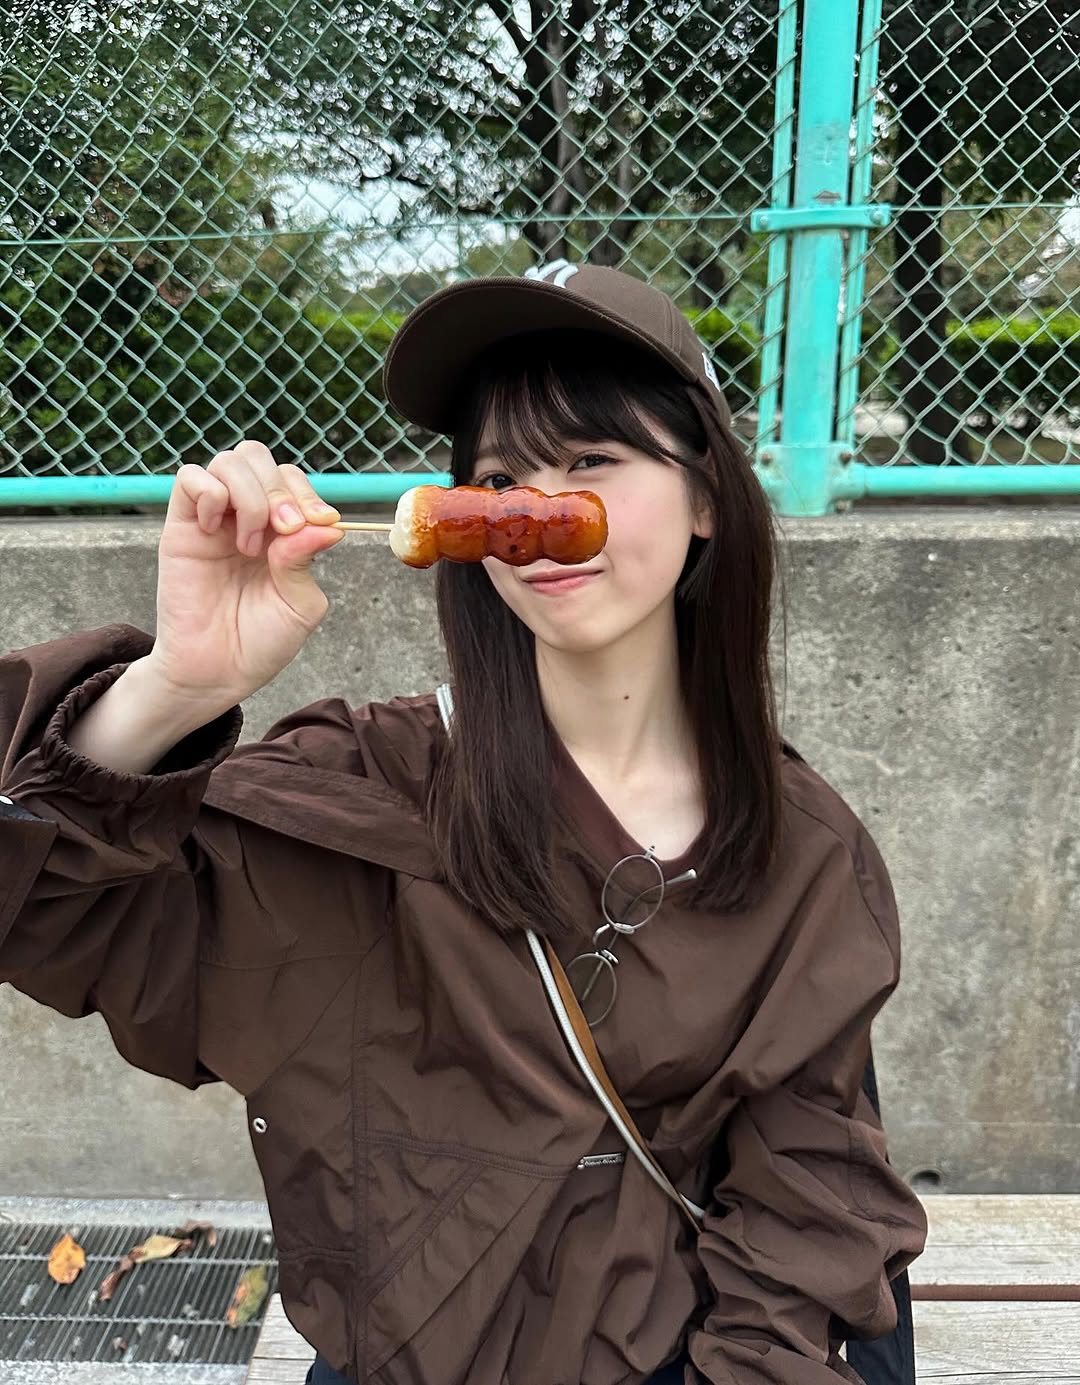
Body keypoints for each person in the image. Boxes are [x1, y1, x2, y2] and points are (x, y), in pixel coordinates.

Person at [0, 261, 927, 1385]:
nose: (537, 511)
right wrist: (175, 687)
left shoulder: (802, 850)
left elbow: (806, 1215)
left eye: (591, 459)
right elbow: (44, 912)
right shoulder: (365, 786)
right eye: (497, 477)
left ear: (706, 499)